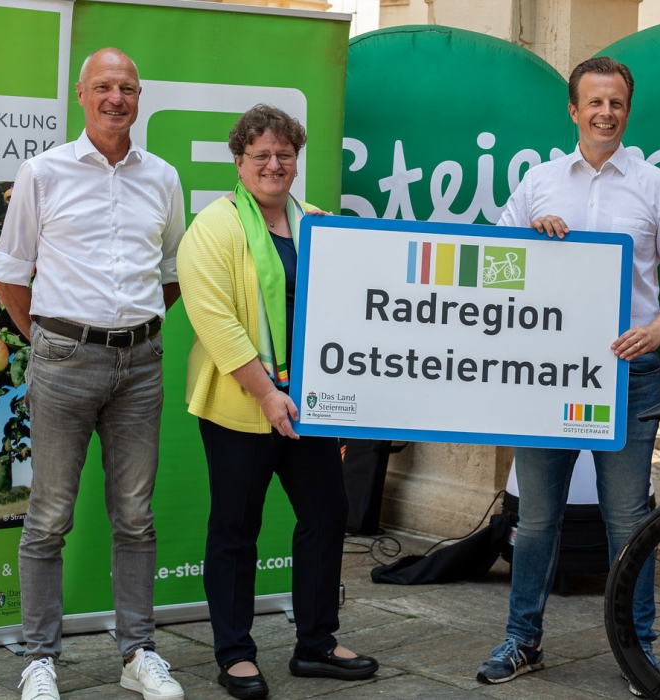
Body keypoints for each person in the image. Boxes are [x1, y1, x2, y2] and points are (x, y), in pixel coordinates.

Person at [475, 56, 660, 695]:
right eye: (594, 103)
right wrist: (527, 236)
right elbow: (492, 264)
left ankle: (640, 652)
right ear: (573, 111)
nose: (606, 113)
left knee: (629, 519)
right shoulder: (538, 183)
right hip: (547, 376)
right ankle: (522, 640)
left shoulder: (656, 187)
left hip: (629, 375)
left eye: (617, 103)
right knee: (539, 519)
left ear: (627, 110)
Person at [0, 48, 185, 700]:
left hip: (141, 367)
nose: (115, 98)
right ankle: (39, 660)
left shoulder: (162, 177)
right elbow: (9, 275)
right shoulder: (42, 172)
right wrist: (50, 339)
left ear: (139, 97)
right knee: (48, 518)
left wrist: (127, 330)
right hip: (64, 363)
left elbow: (170, 277)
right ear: (81, 94)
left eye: (127, 87)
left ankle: (138, 655)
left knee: (135, 518)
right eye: (103, 86)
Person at [176, 104, 377, 700]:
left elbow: (348, 311)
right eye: (260, 155)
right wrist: (266, 393)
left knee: (325, 515)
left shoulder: (318, 221)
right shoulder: (212, 228)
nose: (273, 164)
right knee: (236, 528)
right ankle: (235, 653)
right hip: (241, 406)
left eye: (284, 155)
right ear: (238, 161)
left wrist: (341, 403)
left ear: (296, 161)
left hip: (310, 403)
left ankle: (315, 644)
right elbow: (216, 324)